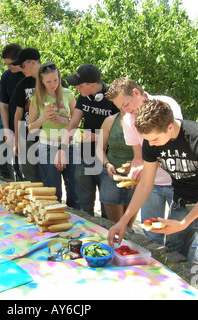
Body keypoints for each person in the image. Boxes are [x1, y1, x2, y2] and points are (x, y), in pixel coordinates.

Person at [107, 99, 198, 277]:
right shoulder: (150, 141)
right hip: (181, 203)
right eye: (148, 140)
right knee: (173, 258)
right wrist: (124, 220)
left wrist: (183, 223)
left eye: (155, 139)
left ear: (170, 127)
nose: (152, 144)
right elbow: (146, 184)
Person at [104, 77, 183, 246]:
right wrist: (135, 171)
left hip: (178, 182)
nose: (126, 110)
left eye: (126, 105)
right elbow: (138, 157)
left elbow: (172, 145)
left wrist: (144, 168)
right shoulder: (127, 120)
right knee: (151, 235)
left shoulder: (166, 104)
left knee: (180, 237)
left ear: (136, 93)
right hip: (152, 185)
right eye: (120, 108)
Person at [55, 64, 118, 217]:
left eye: (80, 85)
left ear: (93, 84)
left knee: (107, 206)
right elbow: (73, 123)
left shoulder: (114, 98)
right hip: (85, 157)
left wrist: (96, 136)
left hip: (107, 159)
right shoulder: (84, 96)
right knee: (84, 204)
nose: (77, 89)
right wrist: (62, 149)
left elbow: (120, 130)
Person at [28, 62, 79, 208]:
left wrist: (65, 119)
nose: (53, 84)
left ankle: (74, 223)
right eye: (48, 81)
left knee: (74, 190)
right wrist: (43, 118)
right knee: (53, 191)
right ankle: (56, 222)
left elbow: (77, 122)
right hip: (47, 146)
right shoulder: (36, 99)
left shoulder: (68, 94)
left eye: (55, 80)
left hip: (68, 145)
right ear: (42, 82)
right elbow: (31, 128)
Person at [10, 48, 47, 183]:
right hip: (27, 138)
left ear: (32, 63)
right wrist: (17, 142)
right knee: (29, 180)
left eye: (22, 65)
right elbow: (18, 114)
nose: (21, 69)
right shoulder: (23, 84)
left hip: (48, 138)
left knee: (47, 179)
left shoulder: (53, 80)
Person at [96, 109, 136, 224]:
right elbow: (99, 149)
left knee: (128, 226)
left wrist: (135, 164)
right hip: (111, 177)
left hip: (134, 177)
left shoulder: (141, 121)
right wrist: (107, 164)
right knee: (115, 224)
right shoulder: (110, 121)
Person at [0, 43, 25, 180]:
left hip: (35, 129)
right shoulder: (6, 77)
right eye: (6, 64)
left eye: (11, 64)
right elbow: (4, 106)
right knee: (18, 167)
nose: (9, 67)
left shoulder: (31, 75)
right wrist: (7, 130)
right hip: (14, 128)